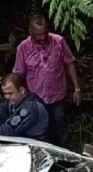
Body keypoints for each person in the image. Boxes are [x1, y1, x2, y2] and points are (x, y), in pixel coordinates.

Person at [13, 15, 80, 149]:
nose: (43, 37)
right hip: (36, 98)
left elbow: (69, 63)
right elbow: (18, 74)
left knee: (60, 128)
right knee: (41, 131)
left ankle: (64, 158)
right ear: (30, 31)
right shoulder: (23, 48)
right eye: (38, 34)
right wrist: (16, 95)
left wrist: (77, 88)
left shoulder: (58, 41)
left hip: (57, 96)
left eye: (45, 33)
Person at [0, 73, 49, 140]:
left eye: (10, 93)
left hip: (35, 146)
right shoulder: (16, 101)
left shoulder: (31, 108)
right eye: (5, 94)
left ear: (22, 91)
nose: (6, 97)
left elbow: (7, 131)